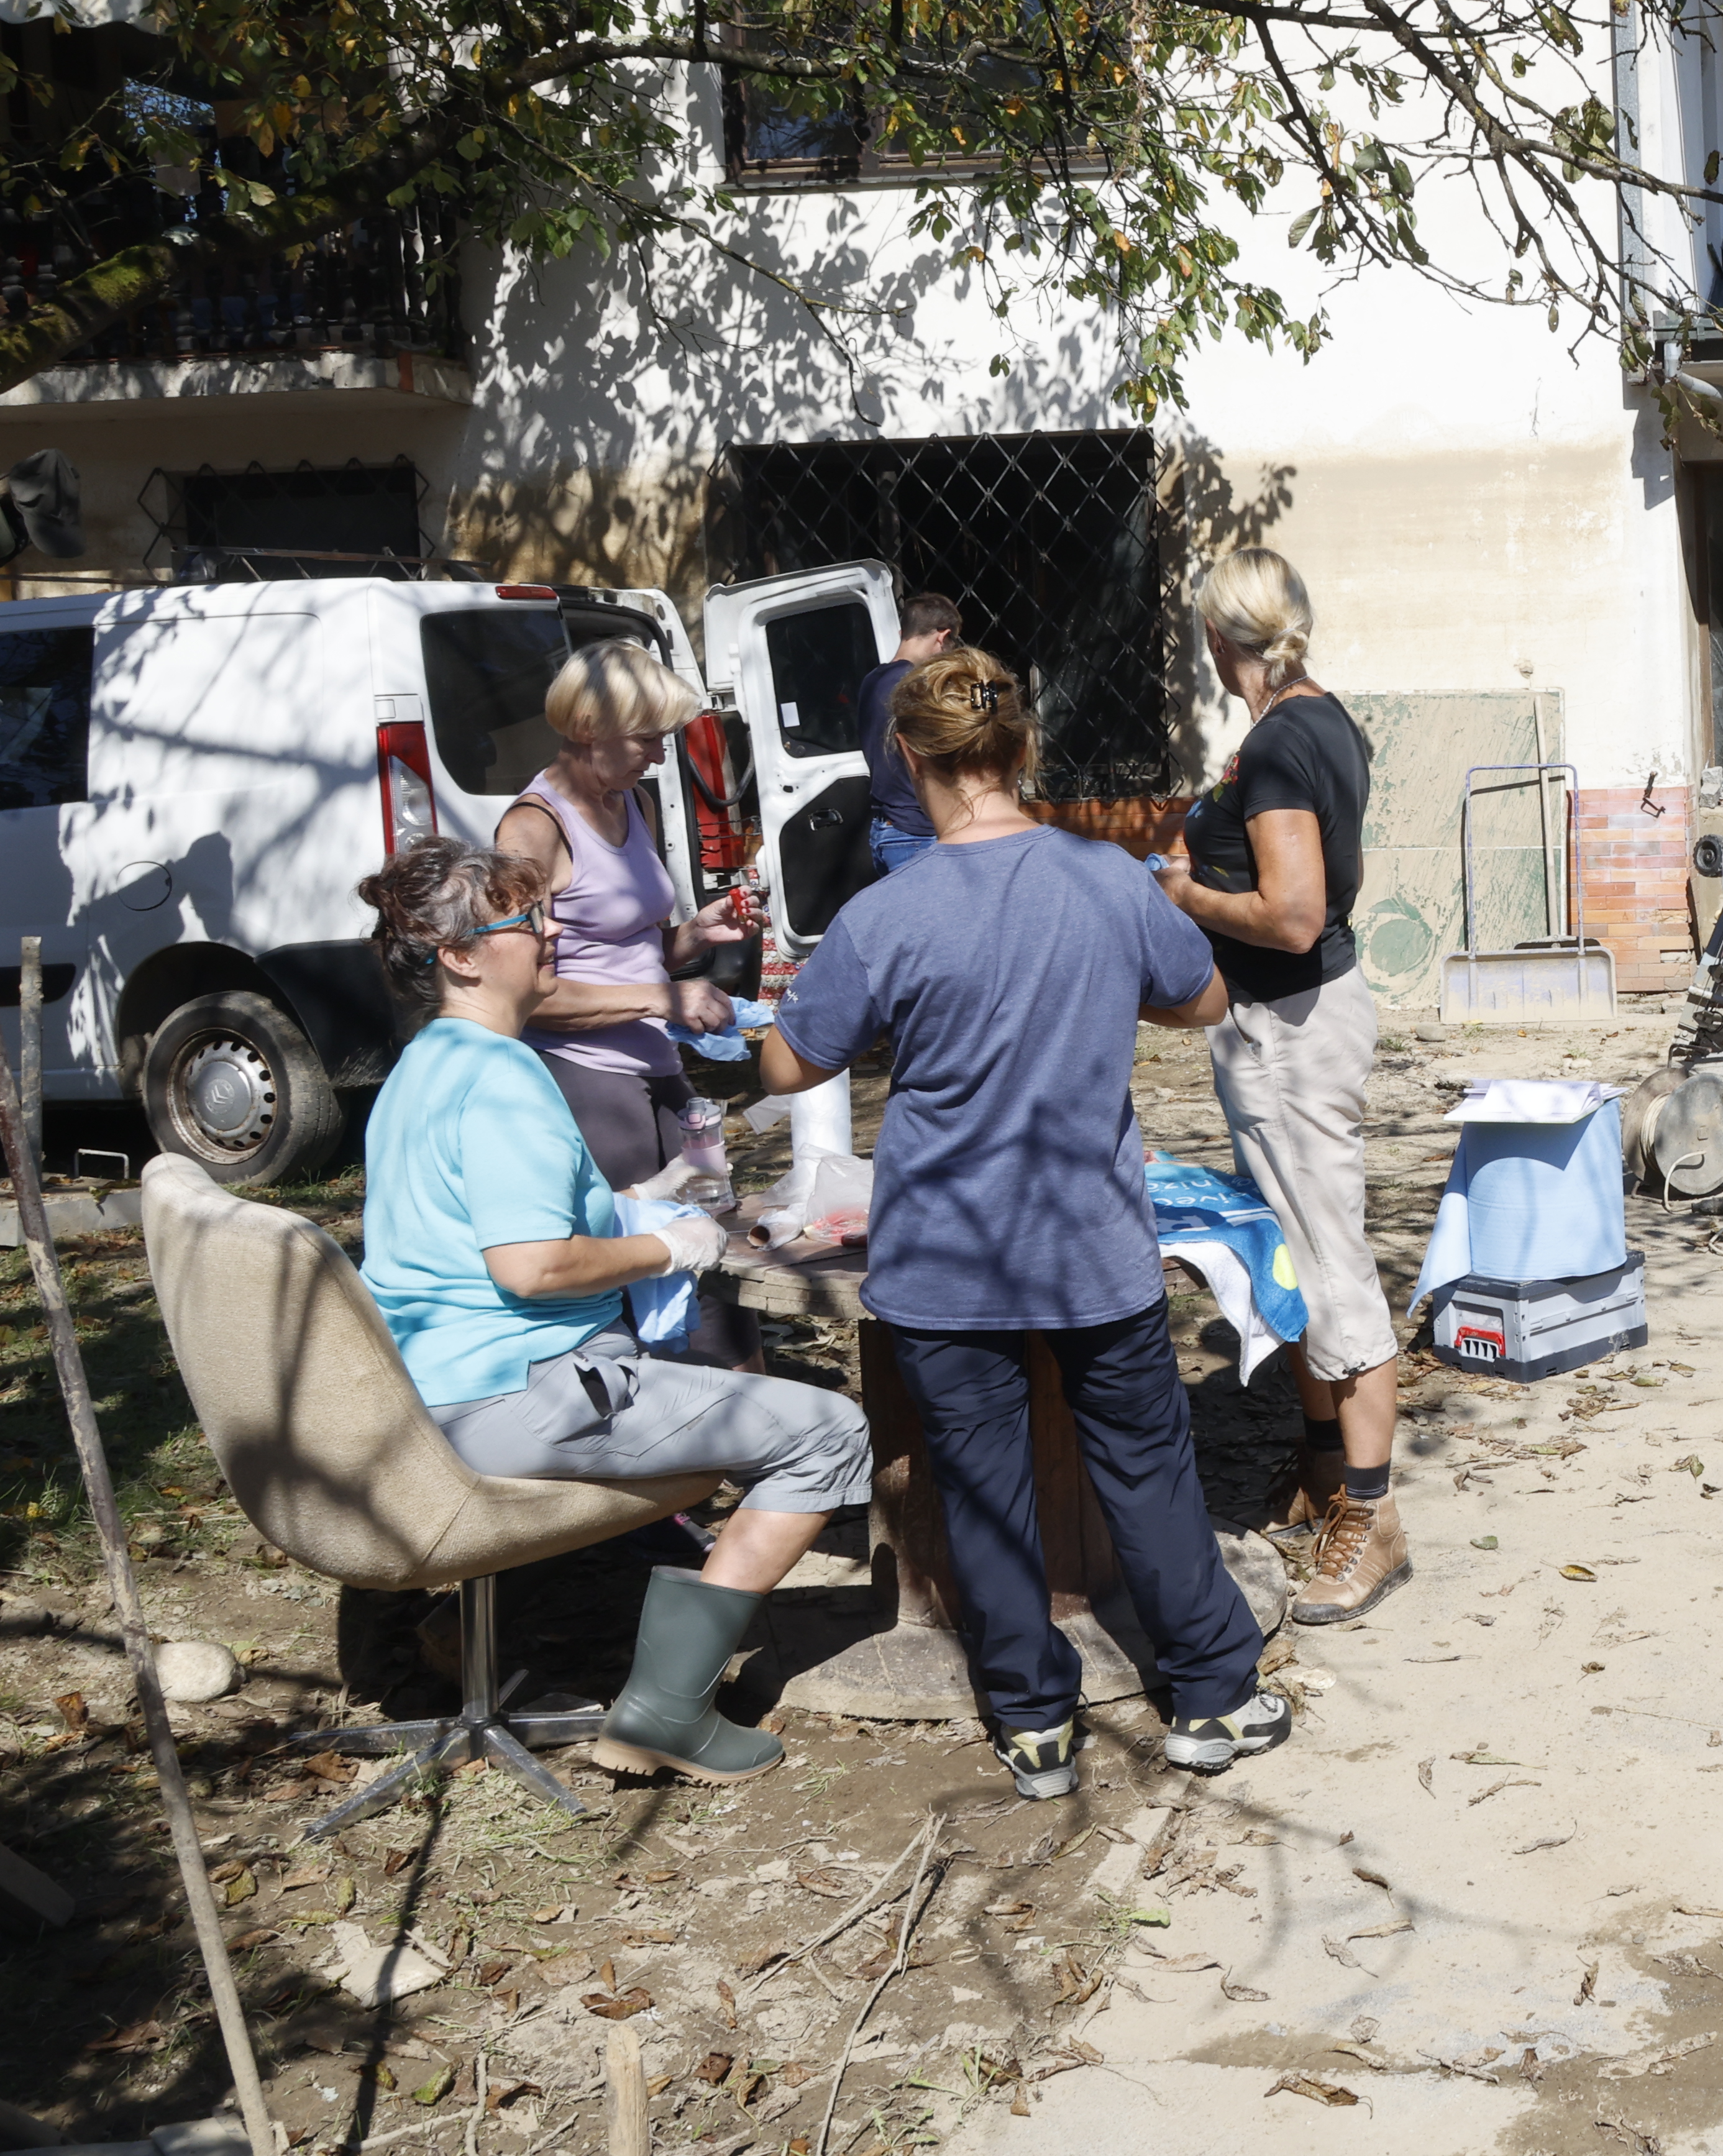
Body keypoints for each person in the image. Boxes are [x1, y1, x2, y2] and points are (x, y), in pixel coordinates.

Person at [756, 650, 1279, 1797]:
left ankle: (1035, 1726)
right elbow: (1203, 998)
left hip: (945, 1261)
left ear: (906, 758)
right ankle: (1215, 1696)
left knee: (983, 1494)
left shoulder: (883, 915)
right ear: (1023, 748)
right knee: (1147, 1472)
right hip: (1090, 1245)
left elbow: (791, 1060)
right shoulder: (1105, 881)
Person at [354, 838, 871, 1784]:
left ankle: (482, 1635)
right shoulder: (504, 1076)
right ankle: (667, 1712)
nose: (552, 931)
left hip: (429, 1398)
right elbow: (533, 1266)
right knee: (831, 1432)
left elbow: (481, 1232)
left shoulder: (424, 1065)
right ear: (460, 955)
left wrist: (646, 1208)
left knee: (722, 1404)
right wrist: (668, 1248)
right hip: (517, 1399)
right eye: (524, 921)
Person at [1159, 549, 1407, 1626]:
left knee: (1332, 1265)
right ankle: (1320, 1471)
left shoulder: (1273, 749)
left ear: (1220, 640)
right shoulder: (1323, 720)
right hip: (1296, 1019)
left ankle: (1377, 1518)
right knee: (1298, 1253)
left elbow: (1295, 912)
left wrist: (1182, 891)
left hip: (1294, 1025)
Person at [497, 641, 758, 1189]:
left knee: (705, 1211)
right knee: (631, 1239)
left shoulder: (634, 802)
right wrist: (663, 999)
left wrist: (696, 934)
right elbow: (519, 990)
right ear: (589, 726)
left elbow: (633, 951)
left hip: (657, 1057)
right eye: (647, 739)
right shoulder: (533, 829)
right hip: (585, 1070)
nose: (661, 756)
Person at [859, 592, 962, 876]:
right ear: (943, 637)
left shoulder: (871, 681)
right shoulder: (918, 685)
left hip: (883, 830)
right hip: (916, 831)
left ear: (903, 633)